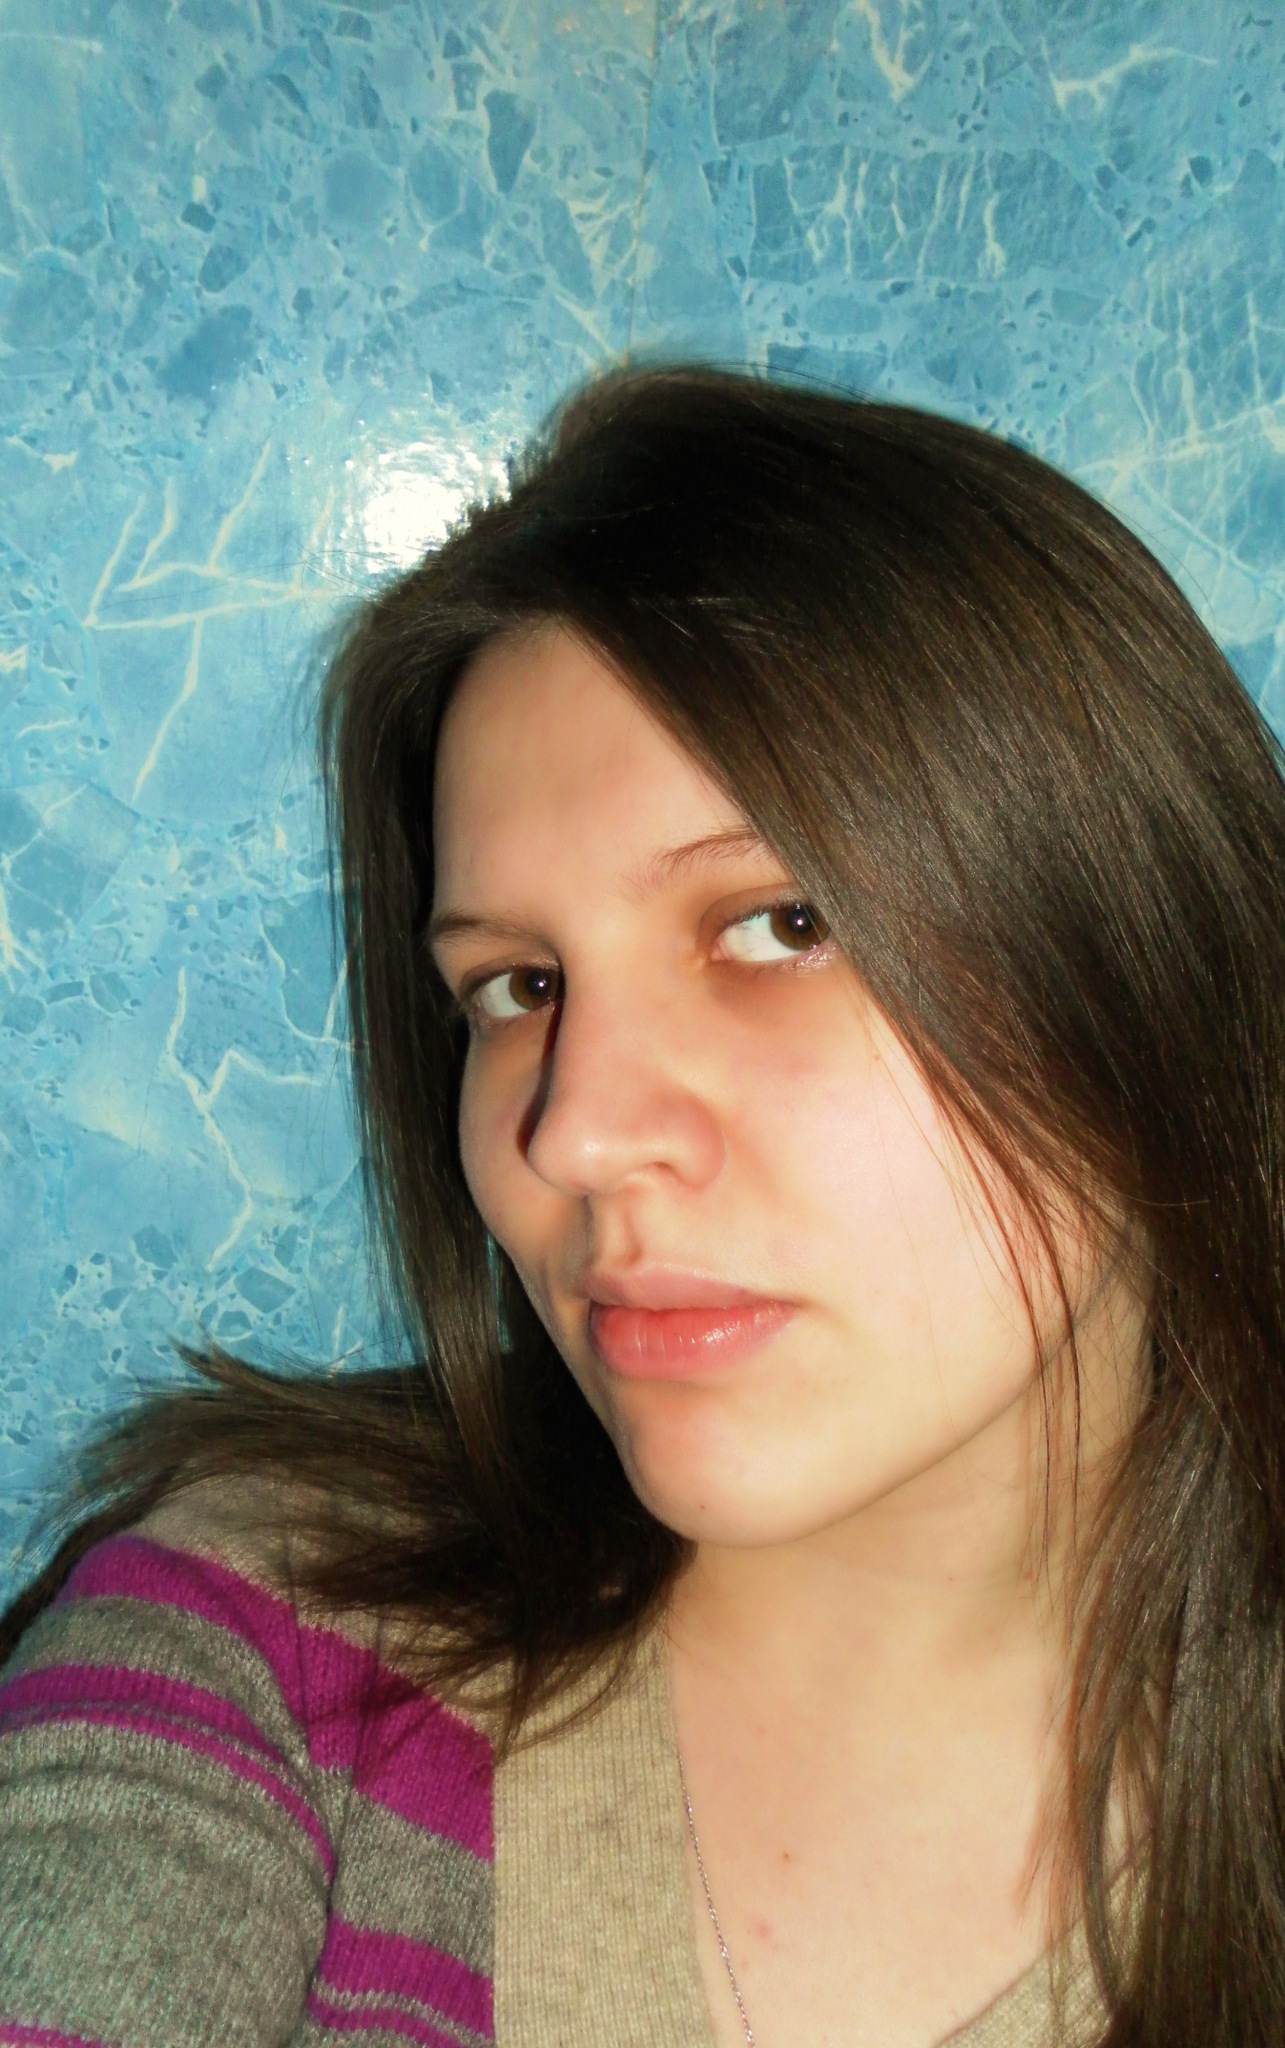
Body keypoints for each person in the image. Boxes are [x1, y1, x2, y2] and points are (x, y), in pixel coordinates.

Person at [1, 366, 1283, 2048]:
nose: (576, 1133)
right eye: (519, 984)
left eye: (780, 926)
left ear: (1145, 957)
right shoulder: (268, 1654)